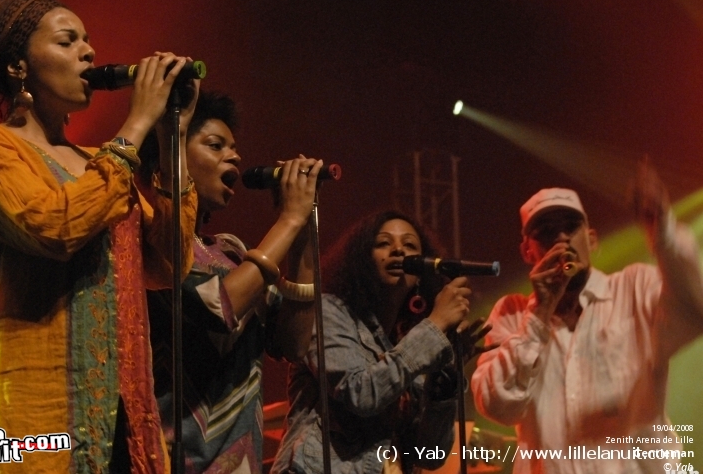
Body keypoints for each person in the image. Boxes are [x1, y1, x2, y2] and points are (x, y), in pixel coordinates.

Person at [0, 0, 198, 473]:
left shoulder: (98, 160)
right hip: (33, 418)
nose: (88, 52)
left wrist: (173, 139)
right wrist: (138, 121)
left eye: (88, 40)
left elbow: (168, 264)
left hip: (122, 419)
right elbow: (56, 228)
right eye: (68, 41)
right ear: (17, 66)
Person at [471, 162, 703, 474]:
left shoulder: (634, 288)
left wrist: (664, 233)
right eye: (547, 231)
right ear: (527, 251)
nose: (562, 238)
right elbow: (499, 406)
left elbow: (695, 307)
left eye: (571, 226)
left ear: (591, 240)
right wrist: (539, 313)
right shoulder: (512, 314)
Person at [138, 91, 323, 473]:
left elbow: (293, 342)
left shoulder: (233, 251)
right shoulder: (148, 239)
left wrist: (303, 227)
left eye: (234, 148)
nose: (235, 157)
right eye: (215, 145)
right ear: (168, 156)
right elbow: (217, 306)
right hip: (171, 458)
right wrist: (287, 221)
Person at [271, 210, 491, 474]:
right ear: (362, 259)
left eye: (410, 245)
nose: (398, 250)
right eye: (384, 243)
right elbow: (360, 393)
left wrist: (445, 380)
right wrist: (434, 326)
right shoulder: (328, 312)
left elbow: (430, 455)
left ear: (423, 268)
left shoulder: (409, 341)